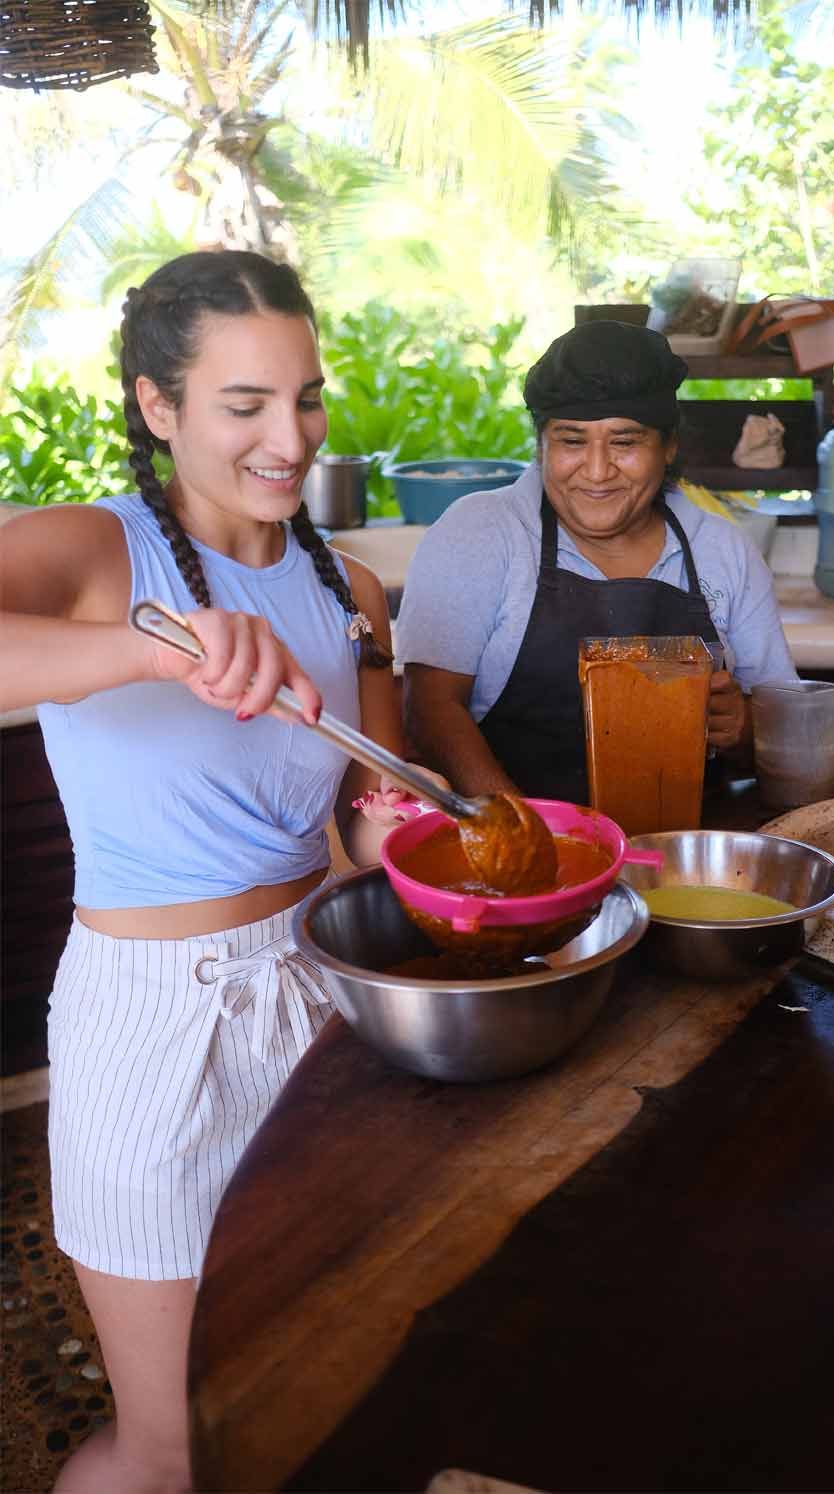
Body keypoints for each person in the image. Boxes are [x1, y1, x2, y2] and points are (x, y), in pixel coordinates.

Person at [0, 250, 416, 1494]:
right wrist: (148, 647)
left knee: (313, 1382)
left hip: (326, 996)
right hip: (155, 1019)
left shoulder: (352, 590)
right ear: (157, 406)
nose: (288, 438)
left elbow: (363, 810)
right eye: (244, 405)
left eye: (307, 399)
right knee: (177, 1446)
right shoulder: (93, 549)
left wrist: (413, 836)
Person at [396, 319, 798, 805]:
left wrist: (744, 725)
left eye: (625, 442)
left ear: (668, 447)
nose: (597, 470)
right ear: (541, 444)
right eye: (571, 441)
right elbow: (430, 710)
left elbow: (786, 728)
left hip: (680, 853)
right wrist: (523, 832)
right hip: (524, 853)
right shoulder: (482, 533)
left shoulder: (723, 551)